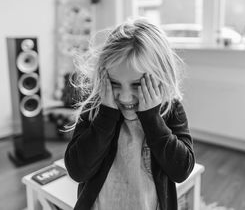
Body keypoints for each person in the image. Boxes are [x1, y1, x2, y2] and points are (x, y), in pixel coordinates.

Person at [64, 18, 195, 210]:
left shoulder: (170, 109)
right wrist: (106, 116)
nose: (125, 98)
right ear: (103, 77)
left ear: (162, 77)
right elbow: (77, 171)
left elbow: (181, 170)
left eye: (137, 84)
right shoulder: (96, 108)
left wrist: (152, 118)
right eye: (115, 83)